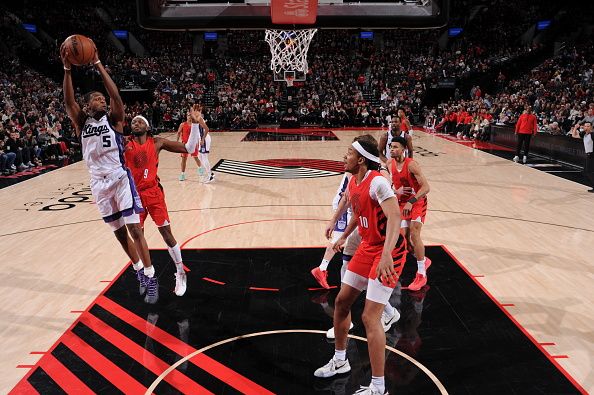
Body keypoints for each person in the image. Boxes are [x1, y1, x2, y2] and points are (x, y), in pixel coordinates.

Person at [61, 40, 199, 304]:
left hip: (122, 180)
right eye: (97, 99)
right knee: (120, 234)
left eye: (103, 98)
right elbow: (69, 101)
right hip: (98, 183)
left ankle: (154, 274)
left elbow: (116, 97)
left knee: (136, 230)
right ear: (88, 106)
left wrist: (98, 63)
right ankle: (139, 271)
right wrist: (67, 69)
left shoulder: (116, 122)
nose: (102, 100)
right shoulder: (82, 122)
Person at [315, 135, 407, 395]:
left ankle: (379, 387)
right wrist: (341, 233)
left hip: (389, 251)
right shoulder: (353, 180)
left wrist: (387, 253)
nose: (344, 157)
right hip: (367, 246)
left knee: (369, 316)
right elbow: (356, 210)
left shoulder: (378, 182)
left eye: (349, 153)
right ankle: (340, 361)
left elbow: (395, 217)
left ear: (362, 160)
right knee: (343, 302)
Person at [124, 108, 204, 297]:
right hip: (132, 195)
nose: (136, 122)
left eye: (140, 121)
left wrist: (193, 124)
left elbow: (189, 148)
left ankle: (181, 272)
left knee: (166, 234)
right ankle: (146, 275)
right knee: (137, 236)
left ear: (147, 126)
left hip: (153, 194)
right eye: (133, 121)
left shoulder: (157, 143)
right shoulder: (124, 143)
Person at [387, 136, 431, 291]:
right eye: (391, 147)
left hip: (417, 202)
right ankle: (423, 259)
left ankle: (421, 274)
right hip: (401, 203)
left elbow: (426, 187)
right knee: (403, 240)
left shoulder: (412, 165)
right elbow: (388, 184)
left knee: (414, 233)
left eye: (395, 147)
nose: (392, 149)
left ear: (404, 149)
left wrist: (411, 202)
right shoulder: (388, 164)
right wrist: (395, 190)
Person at [177, 113, 202, 181]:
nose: (189, 117)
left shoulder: (195, 125)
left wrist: (198, 142)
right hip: (184, 145)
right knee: (184, 159)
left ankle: (200, 168)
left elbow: (197, 134)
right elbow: (179, 133)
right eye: (188, 115)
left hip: (193, 144)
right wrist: (177, 141)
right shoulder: (182, 124)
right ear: (186, 116)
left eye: (191, 116)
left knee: (196, 157)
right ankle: (182, 174)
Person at [571, 121, 594, 193]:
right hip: (588, 155)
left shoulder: (593, 134)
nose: (586, 127)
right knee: (587, 171)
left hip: (592, 155)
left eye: (588, 126)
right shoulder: (584, 134)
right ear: (583, 127)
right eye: (585, 126)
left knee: (589, 171)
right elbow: (574, 136)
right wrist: (575, 127)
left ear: (591, 127)